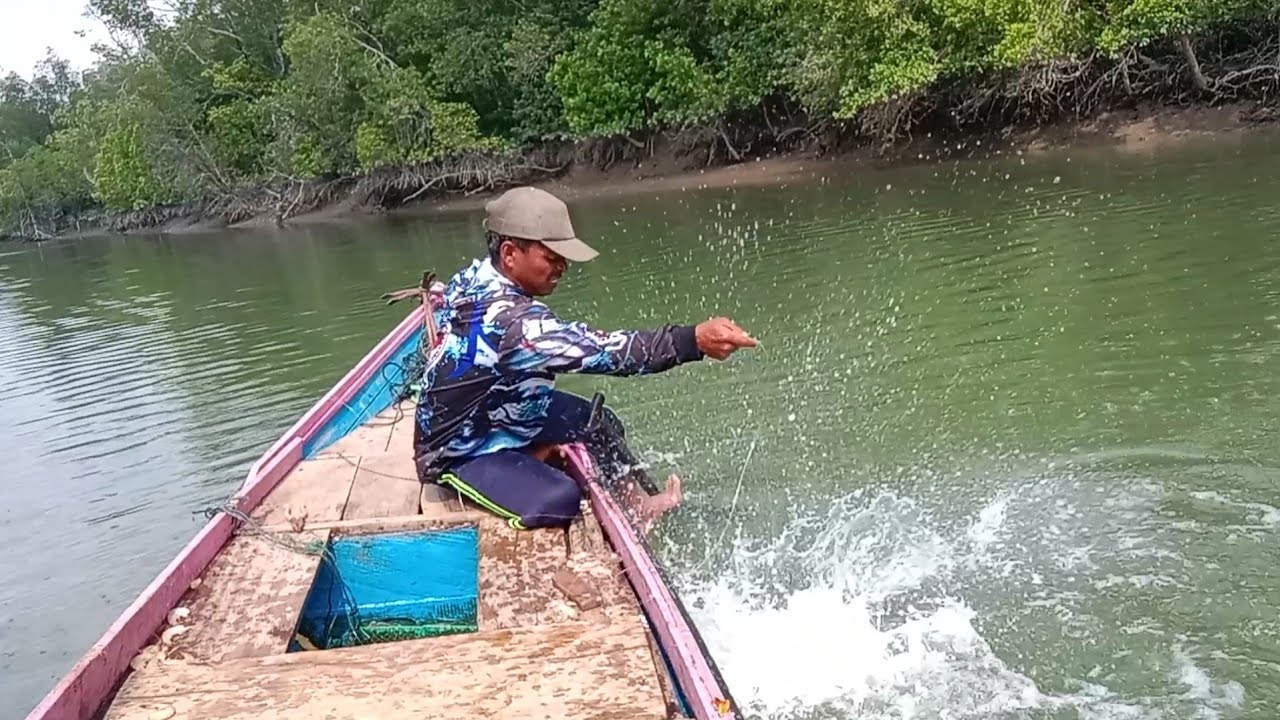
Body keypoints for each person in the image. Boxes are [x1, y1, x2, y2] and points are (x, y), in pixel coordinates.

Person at [412, 186, 756, 531]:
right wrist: (693, 340)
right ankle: (505, 461)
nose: (562, 267)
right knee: (559, 501)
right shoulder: (515, 325)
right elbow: (607, 352)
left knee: (597, 422)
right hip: (460, 447)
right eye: (551, 257)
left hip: (501, 407)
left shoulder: (478, 277)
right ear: (510, 252)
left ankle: (640, 505)